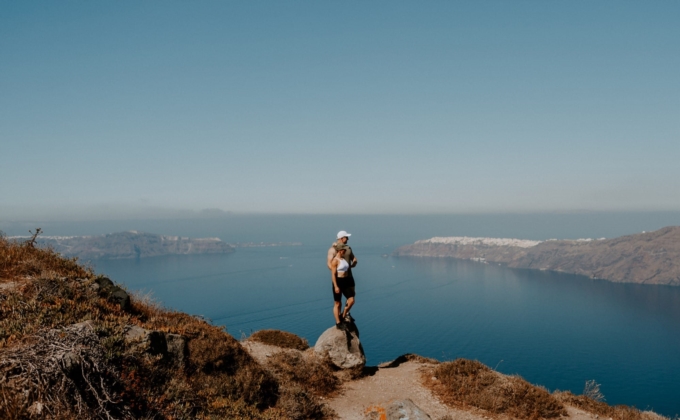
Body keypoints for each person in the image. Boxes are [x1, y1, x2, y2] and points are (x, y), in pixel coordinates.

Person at [327, 231, 358, 329]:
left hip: (348, 277)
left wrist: (352, 264)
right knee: (337, 302)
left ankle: (345, 313)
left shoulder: (348, 248)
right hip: (338, 279)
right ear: (341, 238)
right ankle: (338, 321)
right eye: (346, 237)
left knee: (351, 298)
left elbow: (353, 259)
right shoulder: (333, 250)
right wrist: (335, 271)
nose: (348, 239)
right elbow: (329, 263)